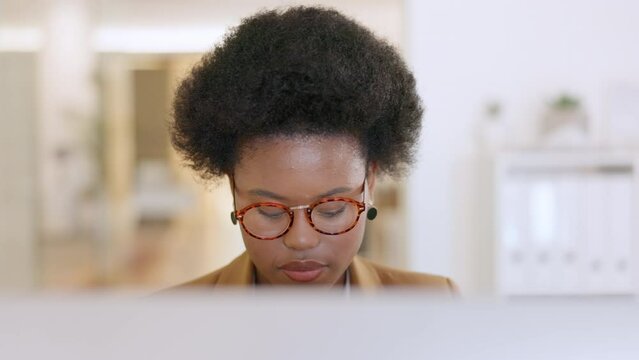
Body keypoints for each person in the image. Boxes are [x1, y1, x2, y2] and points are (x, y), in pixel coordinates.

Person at [170, 6, 457, 293]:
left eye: (331, 210)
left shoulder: (434, 303)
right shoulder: (169, 321)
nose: (301, 240)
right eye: (270, 211)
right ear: (234, 188)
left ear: (370, 182)